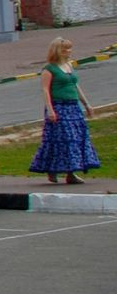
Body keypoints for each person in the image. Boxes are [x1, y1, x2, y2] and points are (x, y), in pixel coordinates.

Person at [29, 37, 99, 186]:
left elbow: (75, 86)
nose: (69, 52)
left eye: (69, 49)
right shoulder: (49, 69)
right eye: (65, 49)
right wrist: (50, 109)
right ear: (57, 51)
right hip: (59, 107)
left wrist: (86, 104)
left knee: (76, 139)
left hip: (73, 107)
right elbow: (45, 90)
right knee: (63, 139)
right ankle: (52, 169)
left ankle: (70, 173)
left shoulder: (69, 66)